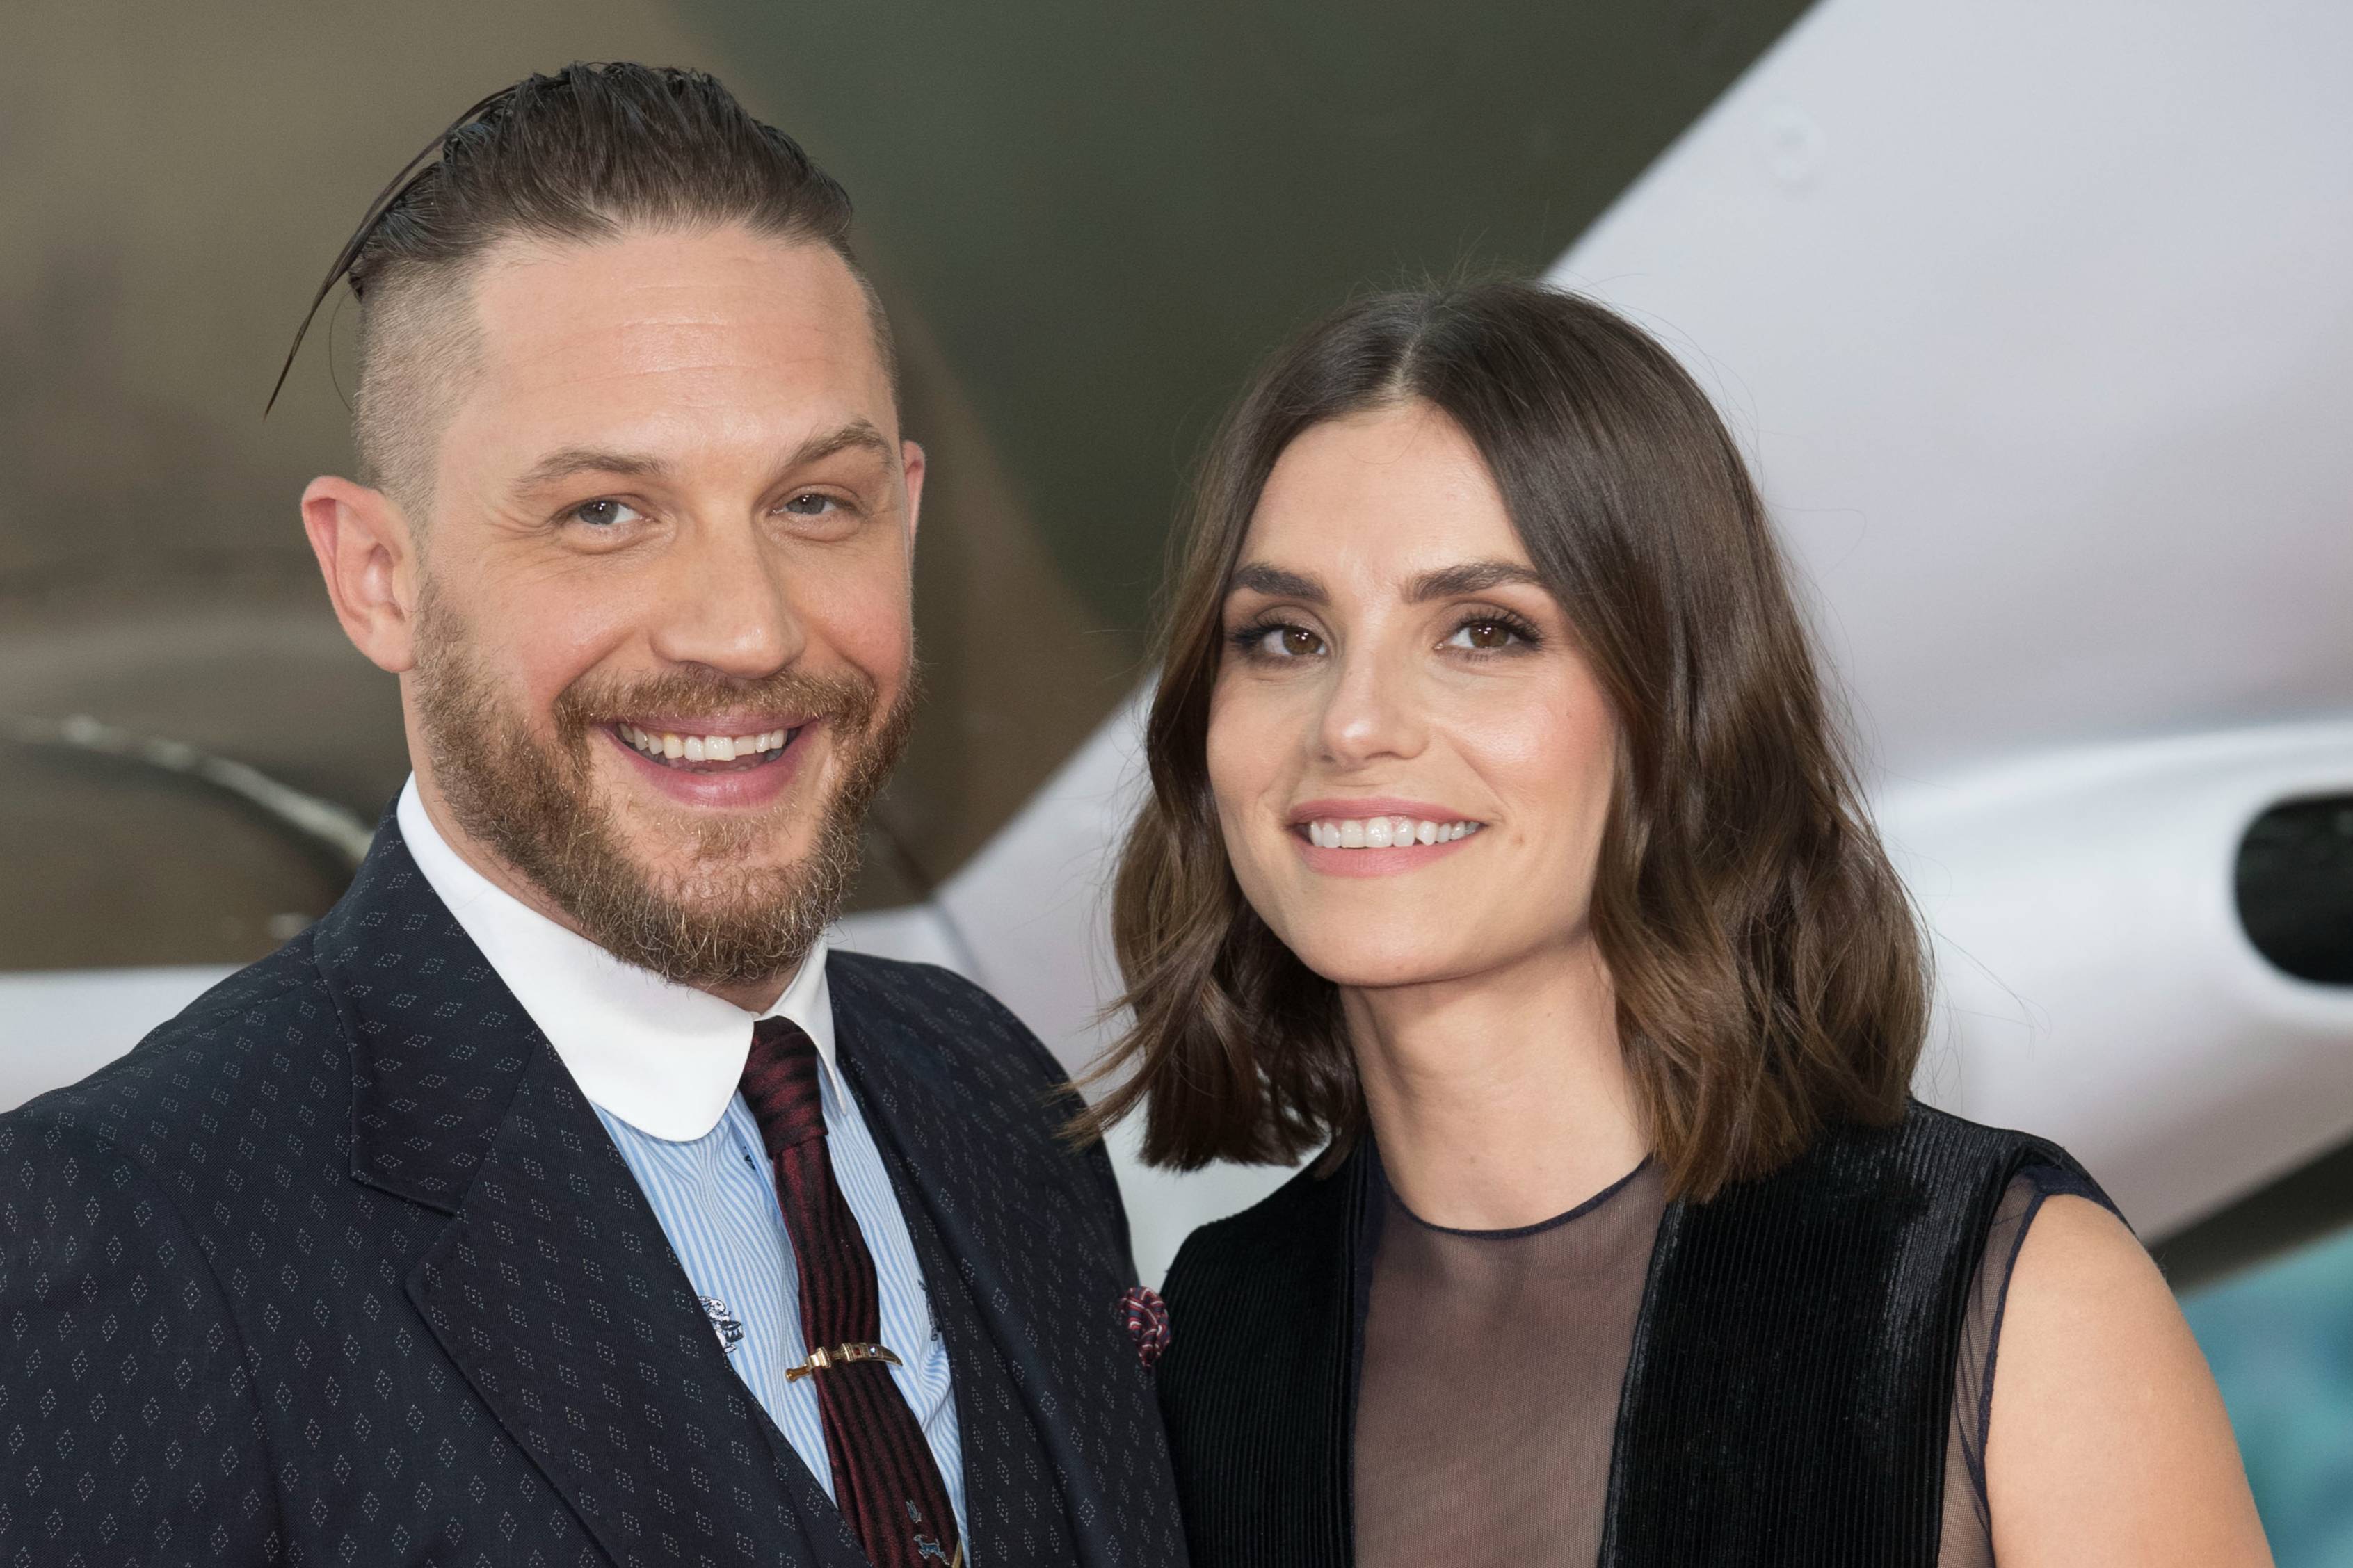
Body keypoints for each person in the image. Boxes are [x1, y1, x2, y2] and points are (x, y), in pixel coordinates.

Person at [0, 65, 1180, 1568]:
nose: (745, 630)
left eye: (815, 503)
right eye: (604, 514)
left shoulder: (993, 1092)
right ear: (378, 577)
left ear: (906, 510)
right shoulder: (134, 1225)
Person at [1084, 280, 2272, 1567]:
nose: (1354, 723)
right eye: (1284, 637)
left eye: (1484, 631)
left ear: (1679, 707)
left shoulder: (2002, 1293)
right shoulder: (1206, 1345)